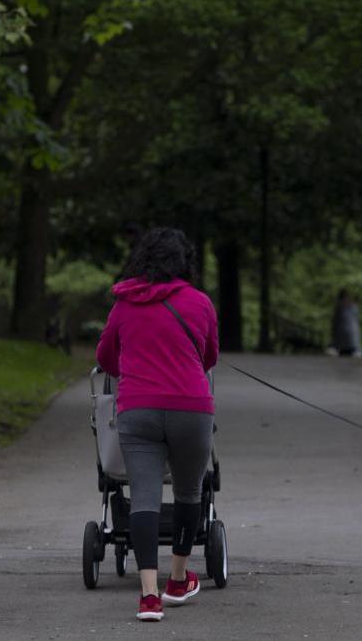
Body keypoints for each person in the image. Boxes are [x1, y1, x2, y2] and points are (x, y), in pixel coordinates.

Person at [95, 227, 219, 622]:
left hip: (138, 411)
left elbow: (106, 357)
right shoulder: (200, 303)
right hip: (191, 408)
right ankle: (177, 580)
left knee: (144, 497)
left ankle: (149, 596)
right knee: (188, 492)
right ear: (185, 262)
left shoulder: (124, 304)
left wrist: (134, 373)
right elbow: (210, 356)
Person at [330, 288, 362, 358]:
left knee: (345, 353)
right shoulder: (353, 306)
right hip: (351, 340)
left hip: (345, 340)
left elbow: (335, 322)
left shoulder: (340, 307)